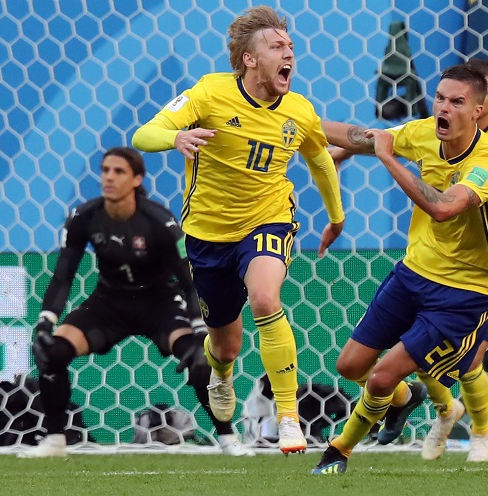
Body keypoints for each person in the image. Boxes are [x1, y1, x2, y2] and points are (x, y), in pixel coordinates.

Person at [131, 6, 345, 454]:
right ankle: (223, 376)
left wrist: (336, 215)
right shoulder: (210, 93)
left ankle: (288, 417)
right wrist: (175, 138)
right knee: (225, 347)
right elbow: (143, 134)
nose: (289, 52)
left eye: (290, 45)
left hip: (268, 219)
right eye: (276, 46)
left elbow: (320, 159)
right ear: (249, 59)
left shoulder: (299, 110)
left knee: (266, 298)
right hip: (209, 236)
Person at [311, 64, 488, 474]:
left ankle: (339, 451)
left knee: (388, 376)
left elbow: (442, 208)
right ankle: (408, 400)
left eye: (457, 102)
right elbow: (364, 137)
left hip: (466, 290)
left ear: (478, 111)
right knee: (351, 367)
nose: (444, 107)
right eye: (440, 97)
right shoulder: (423, 133)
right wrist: (294, 120)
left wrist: (386, 158)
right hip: (414, 271)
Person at [370, 58, 488, 455]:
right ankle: (445, 410)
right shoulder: (435, 134)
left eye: (483, 92)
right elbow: (376, 139)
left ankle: (480, 434)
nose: (448, 105)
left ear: (486, 98)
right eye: (442, 97)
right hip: (436, 258)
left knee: (473, 353)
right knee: (421, 346)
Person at [20, 147, 253, 458]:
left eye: (118, 172)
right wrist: (46, 320)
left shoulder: (160, 222)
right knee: (51, 352)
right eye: (105, 170)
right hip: (107, 303)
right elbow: (64, 274)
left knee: (200, 359)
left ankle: (228, 439)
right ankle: (55, 441)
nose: (109, 178)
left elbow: (188, 281)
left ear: (137, 179)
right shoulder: (84, 217)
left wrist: (199, 329)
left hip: (159, 303)